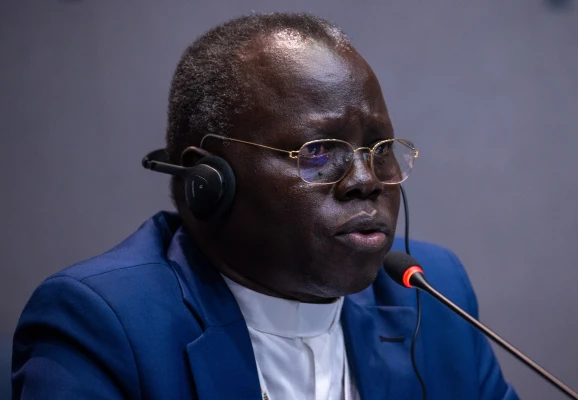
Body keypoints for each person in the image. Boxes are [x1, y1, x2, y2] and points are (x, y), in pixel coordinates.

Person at [11, 12, 518, 400]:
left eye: (379, 149)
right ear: (208, 182)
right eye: (320, 153)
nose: (366, 181)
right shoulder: (104, 326)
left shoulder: (432, 294)